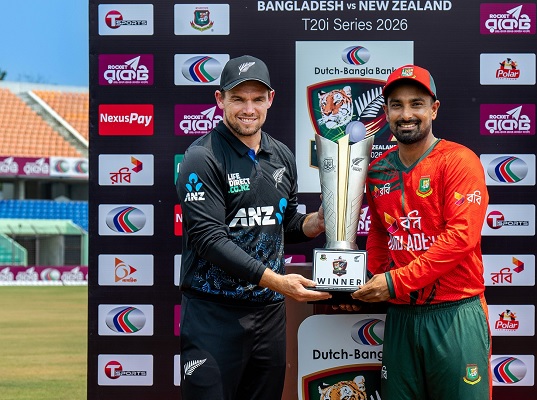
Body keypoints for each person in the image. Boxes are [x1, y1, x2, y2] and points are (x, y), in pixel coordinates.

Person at [175, 55, 331, 400]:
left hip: (268, 316)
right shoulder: (202, 157)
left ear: (270, 99)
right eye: (238, 99)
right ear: (220, 100)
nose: (249, 109)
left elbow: (284, 224)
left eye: (257, 99)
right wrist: (279, 282)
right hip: (214, 315)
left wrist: (317, 222)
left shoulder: (282, 155)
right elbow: (208, 239)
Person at [351, 64, 492, 399]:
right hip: (401, 315)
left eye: (416, 104)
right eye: (396, 105)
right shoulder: (377, 171)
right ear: (386, 113)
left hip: (455, 312)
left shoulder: (459, 160)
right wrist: (376, 276)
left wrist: (393, 282)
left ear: (434, 109)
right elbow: (380, 232)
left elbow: (460, 238)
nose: (406, 114)